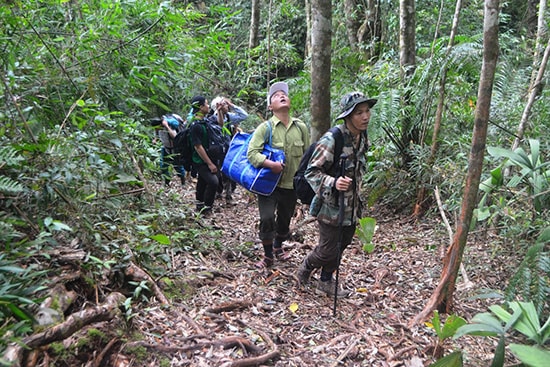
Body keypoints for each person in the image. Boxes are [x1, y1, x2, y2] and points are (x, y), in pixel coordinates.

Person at [296, 91, 377, 298]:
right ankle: (305, 267)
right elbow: (311, 172)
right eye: (359, 112)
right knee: (327, 249)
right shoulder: (333, 138)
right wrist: (333, 182)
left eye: (367, 111)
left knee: (343, 244)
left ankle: (326, 280)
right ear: (349, 115)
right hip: (330, 205)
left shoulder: (361, 137)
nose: (365, 116)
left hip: (351, 206)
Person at [247, 82, 310, 268]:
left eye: (284, 94)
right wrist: (270, 164)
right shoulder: (265, 128)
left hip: (291, 185)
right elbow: (252, 153)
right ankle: (267, 256)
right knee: (267, 218)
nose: (281, 96)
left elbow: (308, 155)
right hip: (268, 185)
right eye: (276, 96)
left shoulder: (301, 128)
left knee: (284, 221)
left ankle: (277, 245)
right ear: (270, 106)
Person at [208, 96, 249, 205]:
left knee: (229, 174)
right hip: (216, 151)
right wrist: (220, 111)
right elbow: (220, 125)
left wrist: (231, 105)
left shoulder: (229, 117)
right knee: (218, 173)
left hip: (228, 149)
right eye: (224, 104)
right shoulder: (211, 119)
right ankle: (218, 192)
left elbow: (244, 115)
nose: (227, 106)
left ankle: (228, 195)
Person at [189, 95, 220, 216]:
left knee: (202, 181)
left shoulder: (205, 121)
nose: (208, 106)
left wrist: (220, 111)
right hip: (200, 160)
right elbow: (198, 146)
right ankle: (207, 208)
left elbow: (220, 124)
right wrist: (210, 163)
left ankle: (199, 205)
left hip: (209, 158)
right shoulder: (195, 125)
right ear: (201, 107)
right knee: (213, 182)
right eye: (206, 104)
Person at [156, 114, 186, 187]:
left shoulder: (169, 127)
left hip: (174, 149)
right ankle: (167, 181)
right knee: (163, 166)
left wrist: (166, 126)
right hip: (165, 148)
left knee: (178, 166)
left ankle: (183, 181)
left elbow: (175, 137)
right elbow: (157, 136)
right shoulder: (158, 129)